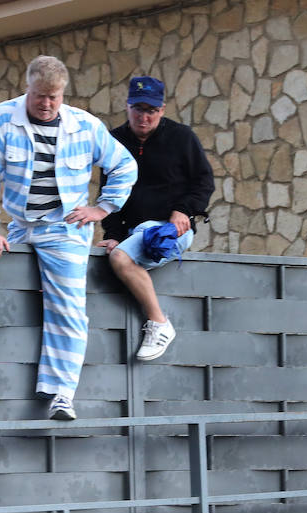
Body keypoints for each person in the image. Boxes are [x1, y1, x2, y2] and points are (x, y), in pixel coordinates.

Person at [0, 55, 137, 419]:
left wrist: (102, 209)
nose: (46, 104)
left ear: (63, 94)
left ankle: (62, 393)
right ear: (27, 87)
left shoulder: (85, 126)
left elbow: (124, 165)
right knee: (5, 295)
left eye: (54, 97)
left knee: (68, 307)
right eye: (39, 95)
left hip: (65, 229)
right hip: (20, 226)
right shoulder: (1, 118)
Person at [100, 76, 214, 362]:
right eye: (138, 108)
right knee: (116, 254)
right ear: (127, 107)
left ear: (162, 110)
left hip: (169, 228)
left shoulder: (182, 137)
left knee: (121, 260)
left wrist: (184, 210)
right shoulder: (113, 141)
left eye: (151, 110)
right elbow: (109, 193)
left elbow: (204, 181)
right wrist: (112, 234)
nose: (144, 116)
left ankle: (159, 323)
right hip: (131, 230)